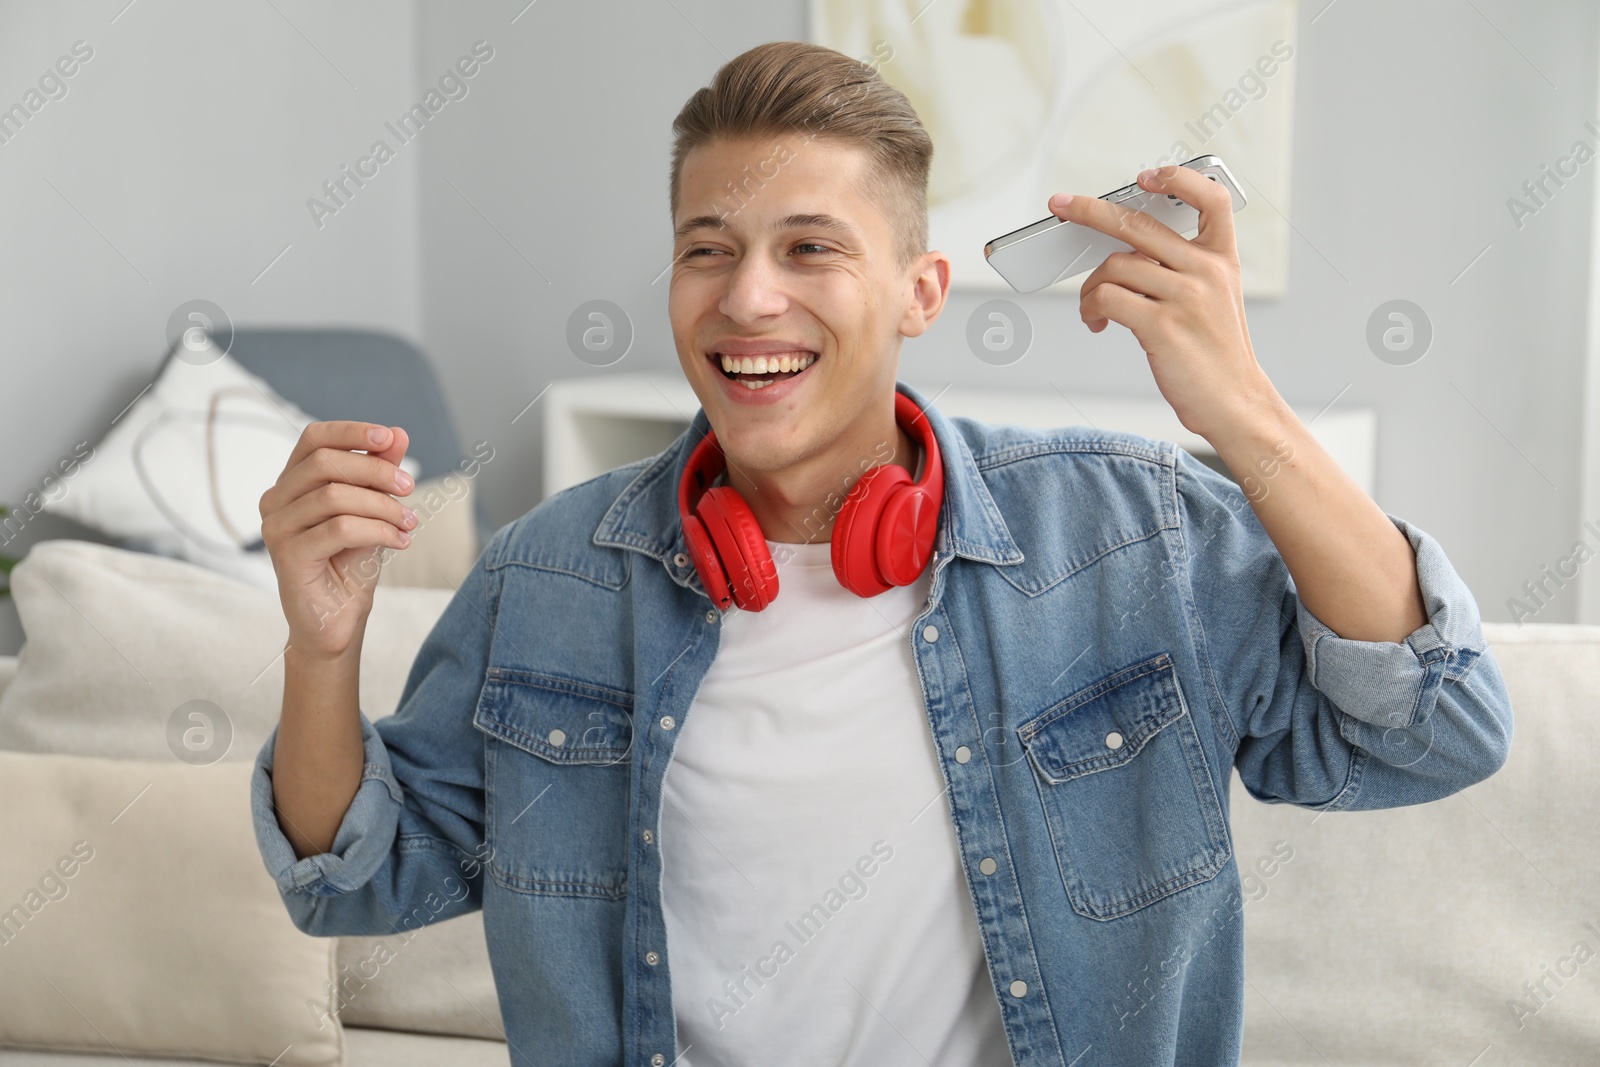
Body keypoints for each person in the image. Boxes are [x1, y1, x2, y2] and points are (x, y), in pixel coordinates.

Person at [252, 40, 1514, 1067]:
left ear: (921, 292)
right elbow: (356, 880)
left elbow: (1432, 728)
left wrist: (1243, 413)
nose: (748, 297)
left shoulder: (1128, 533)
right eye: (707, 248)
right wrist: (323, 648)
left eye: (811, 247)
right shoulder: (550, 575)